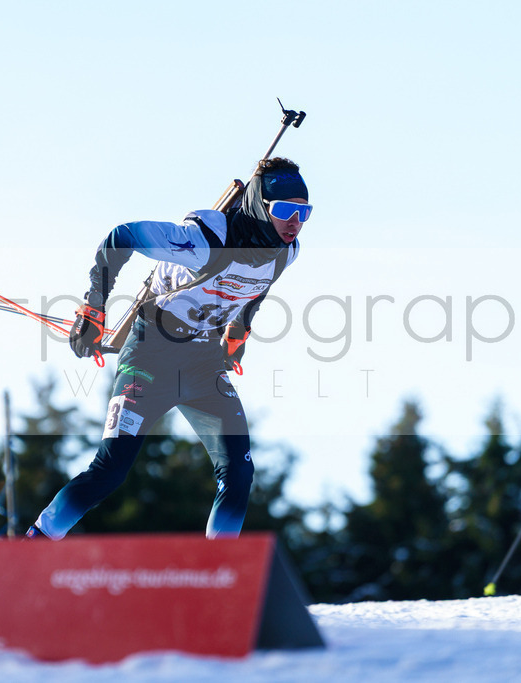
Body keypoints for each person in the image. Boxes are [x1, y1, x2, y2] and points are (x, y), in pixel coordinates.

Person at [27, 157, 311, 540]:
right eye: (285, 210)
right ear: (262, 205)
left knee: (239, 472)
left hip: (203, 362)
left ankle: (216, 573)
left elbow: (256, 289)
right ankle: (31, 544)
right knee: (110, 470)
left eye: (304, 211)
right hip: (151, 353)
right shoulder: (204, 240)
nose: (295, 221)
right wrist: (94, 308)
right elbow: (121, 236)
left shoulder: (286, 252)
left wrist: (238, 331)